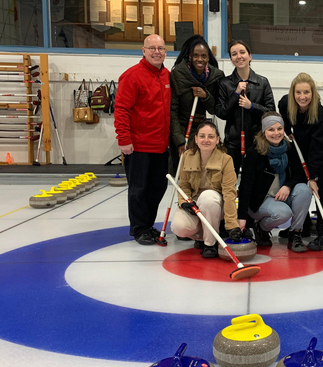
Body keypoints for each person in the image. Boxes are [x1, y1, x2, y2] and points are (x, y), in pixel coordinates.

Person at [114, 34, 171, 246]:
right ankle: (139, 229)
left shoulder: (166, 75)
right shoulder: (132, 76)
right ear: (143, 51)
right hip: (138, 146)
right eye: (152, 48)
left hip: (160, 146)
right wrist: (124, 139)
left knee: (158, 188)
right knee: (139, 190)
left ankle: (148, 225)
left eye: (161, 48)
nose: (157, 52)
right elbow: (121, 109)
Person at [237, 112, 312, 253]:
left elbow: (299, 174)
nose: (276, 133)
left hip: (282, 195)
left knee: (304, 190)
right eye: (271, 129)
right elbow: (245, 186)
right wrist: (242, 218)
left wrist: (287, 186)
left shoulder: (290, 148)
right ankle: (261, 228)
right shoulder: (254, 153)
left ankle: (295, 233)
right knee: (283, 213)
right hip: (261, 201)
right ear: (264, 131)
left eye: (279, 129)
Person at [279, 73, 323, 250]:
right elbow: (284, 124)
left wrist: (313, 177)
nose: (302, 96)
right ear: (292, 93)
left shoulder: (320, 113)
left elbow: (318, 149)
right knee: (298, 185)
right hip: (297, 151)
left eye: (306, 92)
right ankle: (301, 227)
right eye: (298, 92)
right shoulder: (284, 103)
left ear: (313, 93)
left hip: (321, 153)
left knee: (320, 190)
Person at [171, 121, 241, 258]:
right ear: (196, 139)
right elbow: (184, 185)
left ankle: (210, 244)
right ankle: (203, 236)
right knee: (179, 227)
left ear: (217, 140)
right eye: (202, 136)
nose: (206, 140)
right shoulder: (187, 156)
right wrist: (183, 202)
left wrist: (231, 224)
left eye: (211, 136)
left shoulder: (226, 159)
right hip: (195, 202)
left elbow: (229, 193)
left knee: (208, 197)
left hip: (216, 203)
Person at [215, 40, 275, 175]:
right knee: (230, 179)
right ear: (231, 59)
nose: (239, 56)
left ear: (250, 56)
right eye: (234, 54)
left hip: (257, 140)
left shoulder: (262, 82)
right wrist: (235, 94)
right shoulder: (225, 83)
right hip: (233, 142)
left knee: (254, 180)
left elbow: (271, 113)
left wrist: (252, 106)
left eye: (242, 52)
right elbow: (220, 112)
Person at [169, 34, 225, 172]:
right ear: (190, 56)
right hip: (181, 130)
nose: (200, 59)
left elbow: (214, 109)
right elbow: (172, 111)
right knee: (183, 174)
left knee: (202, 173)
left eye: (203, 56)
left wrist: (205, 96)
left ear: (208, 57)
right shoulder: (178, 74)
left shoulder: (216, 76)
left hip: (202, 130)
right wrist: (180, 141)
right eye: (195, 55)